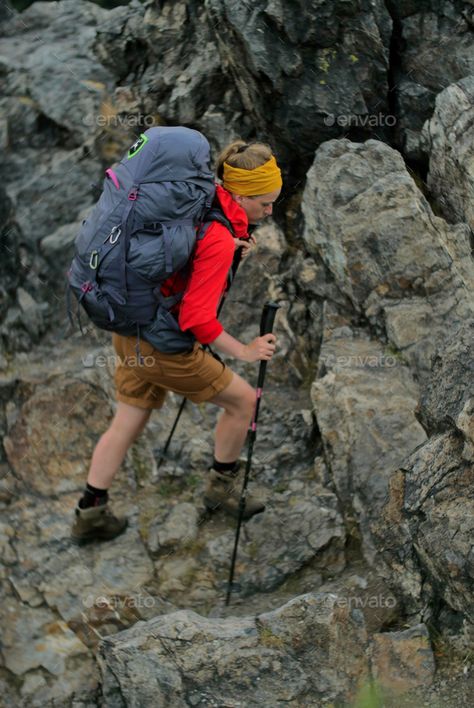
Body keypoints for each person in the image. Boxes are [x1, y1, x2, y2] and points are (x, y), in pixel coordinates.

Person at [71, 139, 283, 545]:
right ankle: (221, 490)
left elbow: (188, 249)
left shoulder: (202, 197)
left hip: (130, 331)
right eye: (265, 203)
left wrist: (229, 246)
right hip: (163, 346)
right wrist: (244, 350)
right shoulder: (220, 238)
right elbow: (197, 318)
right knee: (242, 402)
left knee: (128, 419)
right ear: (239, 194)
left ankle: (90, 513)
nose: (270, 212)